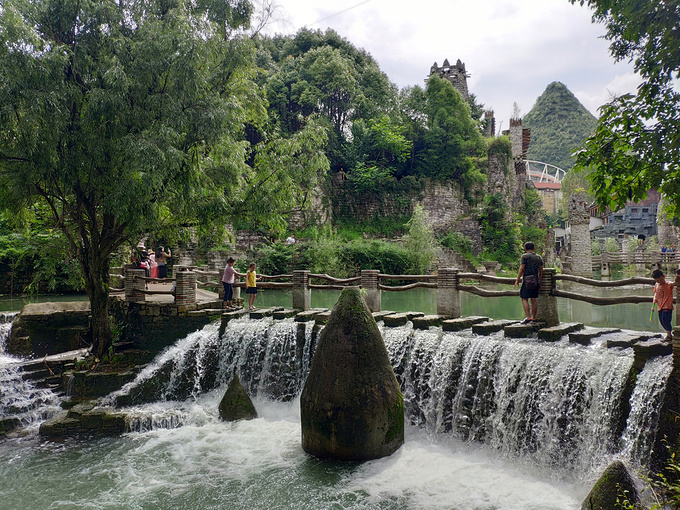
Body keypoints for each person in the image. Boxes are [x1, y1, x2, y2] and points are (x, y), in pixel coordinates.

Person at [514, 241, 544, 324]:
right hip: (536, 280)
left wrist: (517, 280)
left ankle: (528, 317)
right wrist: (540, 282)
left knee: (524, 298)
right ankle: (533, 317)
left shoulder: (525, 256)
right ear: (534, 248)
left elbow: (521, 268)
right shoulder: (539, 257)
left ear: (525, 248)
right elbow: (541, 271)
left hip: (527, 280)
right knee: (533, 299)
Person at [652, 268, 675, 342]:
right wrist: (654, 300)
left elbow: (674, 283)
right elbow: (655, 293)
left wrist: (677, 277)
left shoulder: (668, 284)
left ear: (664, 276)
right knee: (662, 321)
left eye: (661, 280)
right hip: (660, 306)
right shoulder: (657, 285)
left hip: (667, 306)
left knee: (666, 320)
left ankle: (669, 336)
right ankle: (669, 335)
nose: (659, 282)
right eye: (657, 281)